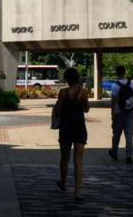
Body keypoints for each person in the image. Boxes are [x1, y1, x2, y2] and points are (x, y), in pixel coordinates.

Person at [56, 68, 89, 200]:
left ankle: (63, 183)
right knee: (78, 160)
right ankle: (77, 191)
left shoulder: (63, 92)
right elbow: (86, 109)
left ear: (66, 79)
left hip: (66, 127)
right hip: (80, 127)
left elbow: (58, 109)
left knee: (65, 157)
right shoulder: (84, 92)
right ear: (78, 78)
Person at [108, 66, 133, 164]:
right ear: (125, 72)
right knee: (129, 135)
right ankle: (128, 155)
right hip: (129, 112)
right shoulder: (131, 84)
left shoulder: (115, 86)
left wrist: (112, 114)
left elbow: (113, 101)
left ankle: (114, 152)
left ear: (117, 73)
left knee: (116, 134)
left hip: (118, 113)